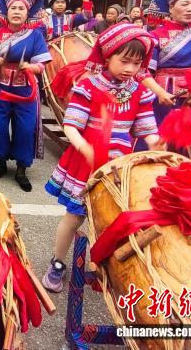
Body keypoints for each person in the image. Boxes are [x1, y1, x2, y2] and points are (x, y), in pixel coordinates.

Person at [42, 24, 162, 292]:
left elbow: (147, 129)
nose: (130, 68)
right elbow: (71, 125)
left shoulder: (141, 91)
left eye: (137, 63)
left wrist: (157, 142)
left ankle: (103, 264)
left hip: (119, 163)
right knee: (74, 217)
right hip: (87, 162)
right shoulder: (88, 85)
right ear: (107, 56)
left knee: (110, 218)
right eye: (124, 60)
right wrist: (83, 146)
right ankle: (57, 262)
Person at [0, 0, 51, 191]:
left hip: (25, 91)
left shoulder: (35, 36)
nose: (17, 12)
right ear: (6, 11)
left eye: (21, 8)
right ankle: (1, 163)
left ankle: (21, 170)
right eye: (13, 8)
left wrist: (29, 67)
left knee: (26, 129)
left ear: (27, 13)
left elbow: (41, 66)